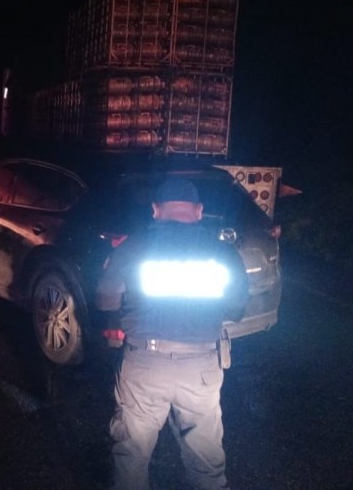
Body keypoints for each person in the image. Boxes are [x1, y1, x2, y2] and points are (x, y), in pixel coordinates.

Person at [96, 176, 249, 490]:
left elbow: (104, 299)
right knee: (206, 461)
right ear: (198, 211)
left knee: (131, 455)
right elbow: (236, 310)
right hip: (201, 368)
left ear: (155, 210)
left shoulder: (133, 247)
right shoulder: (223, 253)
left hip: (145, 366)